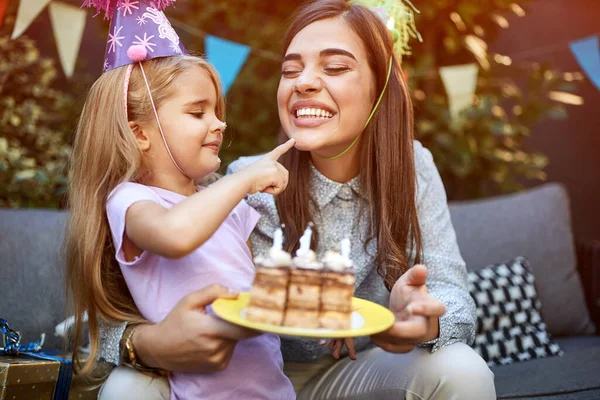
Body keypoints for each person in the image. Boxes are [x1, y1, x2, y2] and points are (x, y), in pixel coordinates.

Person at [96, 0, 497, 399]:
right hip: (246, 380)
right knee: (126, 386)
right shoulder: (242, 186)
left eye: (335, 67)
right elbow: (108, 314)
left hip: (358, 376)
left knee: (461, 369)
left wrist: (423, 320)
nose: (303, 82)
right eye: (290, 70)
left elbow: (451, 293)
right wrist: (145, 346)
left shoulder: (414, 167)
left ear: (380, 86)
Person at [65, 1, 297, 399]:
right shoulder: (130, 200)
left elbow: (257, 294)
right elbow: (174, 235)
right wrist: (242, 180)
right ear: (140, 133)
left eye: (218, 111)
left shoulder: (227, 208)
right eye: (198, 112)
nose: (220, 123)